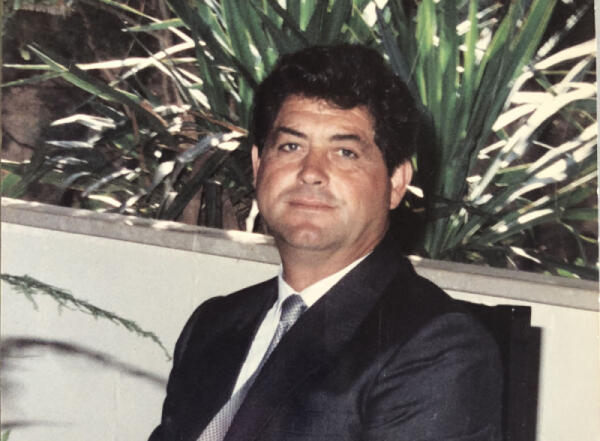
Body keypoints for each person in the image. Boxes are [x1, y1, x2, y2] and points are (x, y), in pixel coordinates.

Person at [149, 44, 502, 441]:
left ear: (395, 183)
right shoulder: (213, 326)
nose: (310, 172)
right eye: (291, 146)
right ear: (258, 166)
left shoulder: (435, 348)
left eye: (345, 152)